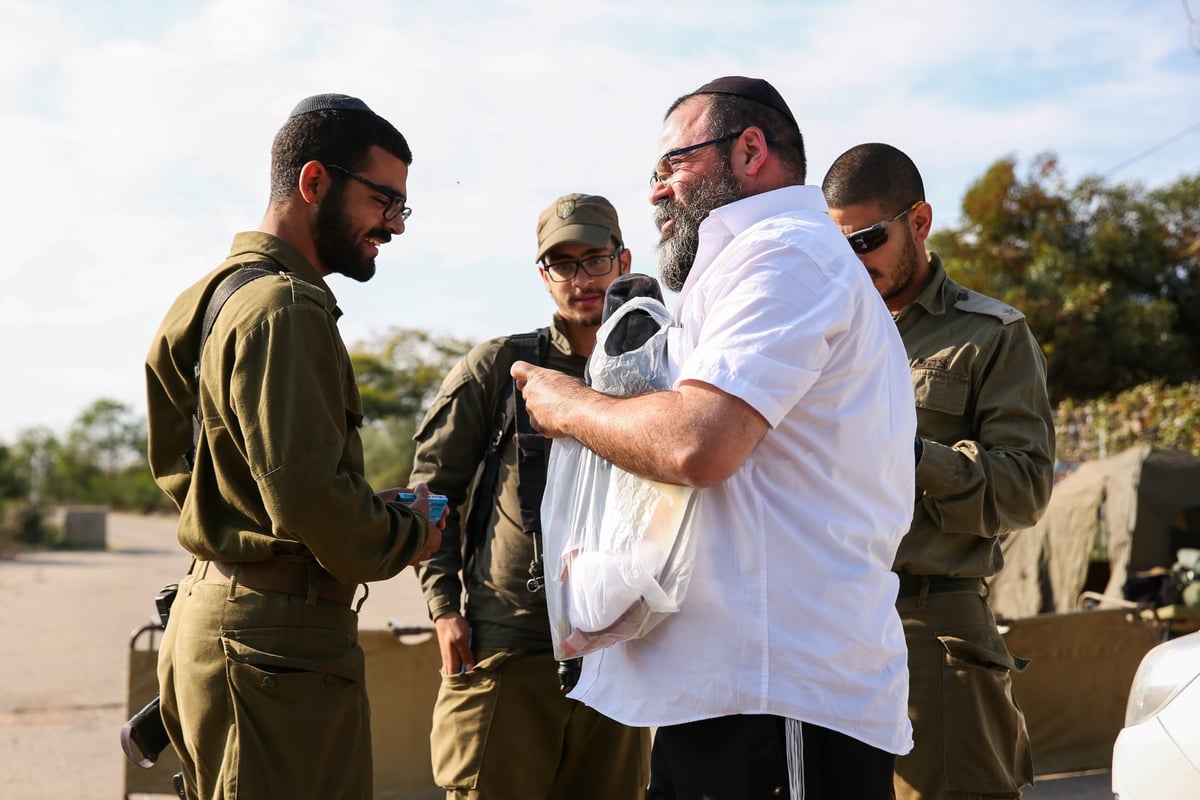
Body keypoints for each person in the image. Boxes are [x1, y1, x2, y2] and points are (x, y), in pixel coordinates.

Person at [511, 77, 916, 799]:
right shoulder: (752, 264)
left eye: (671, 166)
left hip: (776, 697)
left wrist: (566, 404)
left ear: (750, 150)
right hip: (738, 697)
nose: (656, 193)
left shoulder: (787, 254)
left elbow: (700, 442)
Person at [144, 93, 443, 800]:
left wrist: (350, 511)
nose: (394, 226)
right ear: (315, 183)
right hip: (276, 649)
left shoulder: (208, 298)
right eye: (383, 200)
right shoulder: (286, 307)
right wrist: (409, 531)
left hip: (216, 620)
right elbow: (309, 502)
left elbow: (205, 475)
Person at [822, 142, 1056, 800]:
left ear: (919, 222)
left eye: (867, 239)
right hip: (826, 628)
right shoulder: (821, 338)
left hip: (929, 623)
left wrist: (902, 452)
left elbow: (1025, 487)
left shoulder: (991, 336)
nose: (853, 262)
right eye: (837, 246)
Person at [410, 193, 651, 800]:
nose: (581, 278)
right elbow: (432, 495)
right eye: (562, 264)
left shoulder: (659, 371)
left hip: (619, 647)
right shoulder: (500, 367)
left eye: (594, 259)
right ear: (544, 276)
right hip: (511, 642)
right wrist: (444, 608)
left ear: (622, 260)